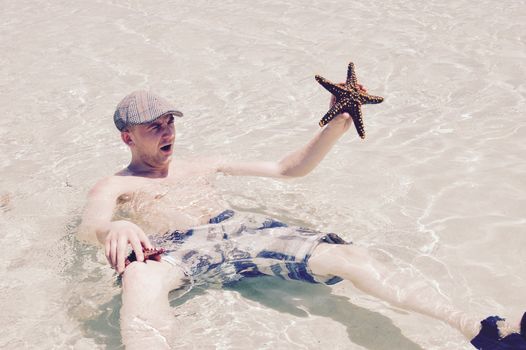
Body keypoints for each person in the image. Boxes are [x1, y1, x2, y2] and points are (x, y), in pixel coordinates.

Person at [79, 90, 525, 350]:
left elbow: (286, 169)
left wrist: (334, 125)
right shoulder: (115, 185)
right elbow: (90, 227)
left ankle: (483, 330)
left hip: (239, 230)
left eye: (168, 122)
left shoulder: (203, 163)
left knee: (351, 257)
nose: (167, 132)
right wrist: (113, 227)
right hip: (179, 247)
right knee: (139, 277)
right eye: (153, 127)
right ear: (127, 136)